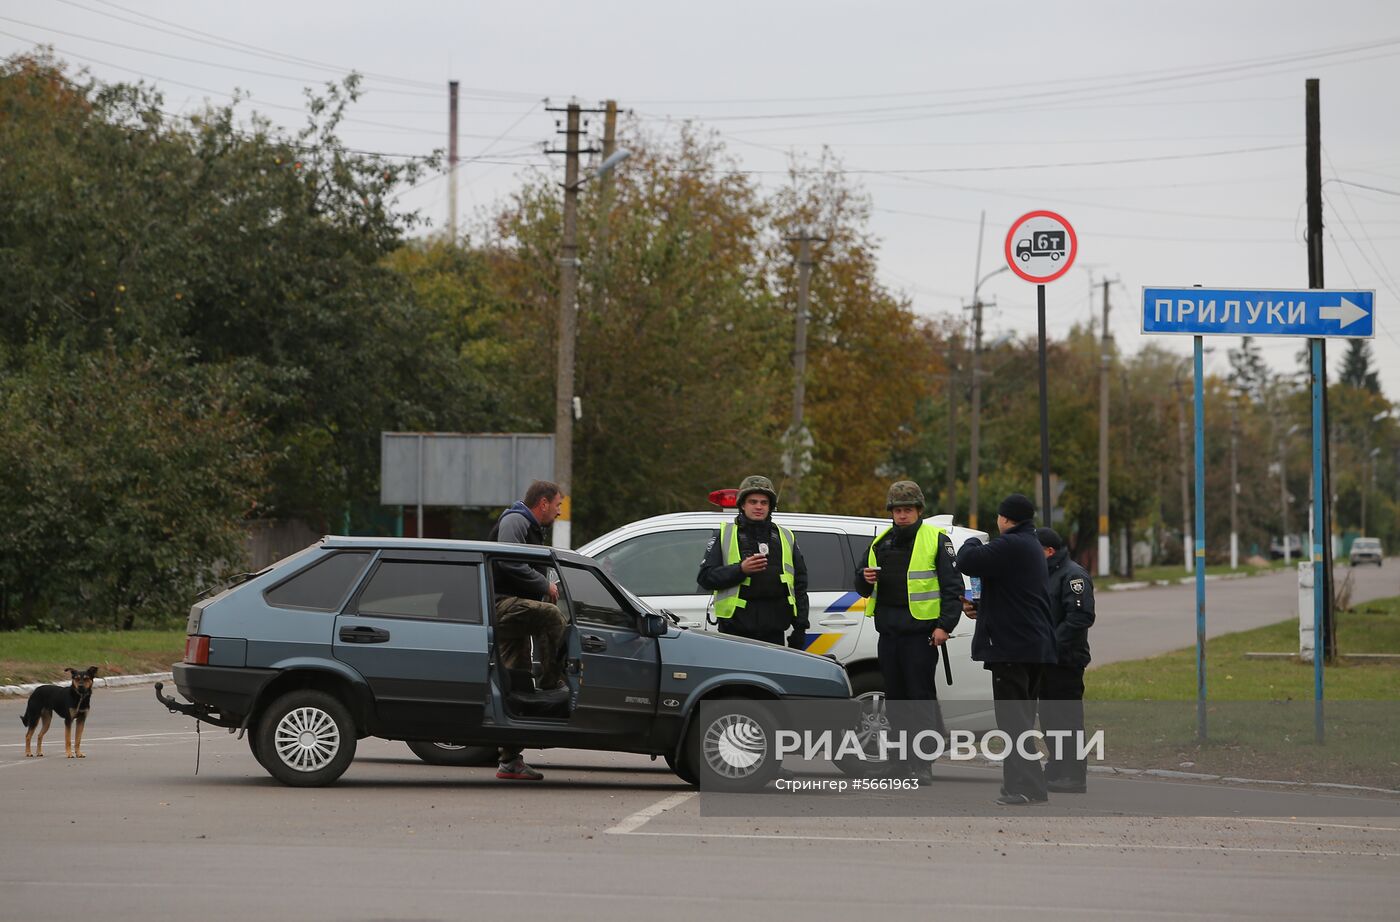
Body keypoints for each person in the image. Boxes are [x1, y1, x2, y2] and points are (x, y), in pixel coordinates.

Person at [852, 481, 961, 784]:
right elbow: (860, 585)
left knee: (920, 700)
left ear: (918, 511)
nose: (902, 515)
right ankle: (899, 763)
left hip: (920, 634)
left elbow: (953, 588)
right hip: (889, 633)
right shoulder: (881, 543)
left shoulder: (936, 539)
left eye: (908, 510)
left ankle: (923, 764)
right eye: (897, 510)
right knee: (897, 702)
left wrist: (943, 626)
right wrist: (865, 578)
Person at [954, 492, 1058, 806]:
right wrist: (982, 609)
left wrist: (971, 540)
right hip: (1029, 645)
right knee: (1021, 721)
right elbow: (1014, 595)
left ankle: (1027, 787)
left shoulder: (1012, 544)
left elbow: (967, 561)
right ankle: (1020, 784)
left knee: (1013, 722)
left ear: (1004, 518)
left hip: (1014, 649)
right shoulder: (1028, 545)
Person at [487, 479, 569, 781]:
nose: (559, 511)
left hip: (513, 610)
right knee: (551, 616)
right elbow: (508, 560)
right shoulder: (515, 520)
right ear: (543, 503)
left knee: (516, 681)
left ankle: (510, 761)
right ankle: (552, 682)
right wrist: (543, 585)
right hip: (500, 606)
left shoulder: (531, 527)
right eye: (558, 505)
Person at [697, 475, 810, 648]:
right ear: (742, 504)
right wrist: (740, 570)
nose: (759, 507)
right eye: (753, 501)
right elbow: (705, 578)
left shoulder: (786, 536)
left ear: (770, 506)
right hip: (735, 633)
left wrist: (800, 628)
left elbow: (800, 586)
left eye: (764, 503)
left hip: (774, 634)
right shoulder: (725, 534)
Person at [1035, 527, 1096, 793]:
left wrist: (1050, 645)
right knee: (1050, 719)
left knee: (1067, 719)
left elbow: (1080, 617)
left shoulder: (1073, 575)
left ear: (1048, 551)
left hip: (1066, 661)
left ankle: (1074, 773)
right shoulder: (1042, 574)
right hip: (1045, 661)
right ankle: (1057, 767)